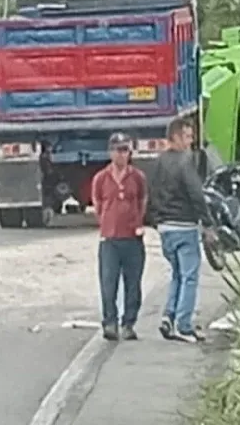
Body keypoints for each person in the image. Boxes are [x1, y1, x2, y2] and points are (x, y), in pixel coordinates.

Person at [148, 116, 212, 343]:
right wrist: (207, 223)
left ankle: (169, 316)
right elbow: (196, 194)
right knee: (190, 276)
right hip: (185, 226)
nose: (191, 141)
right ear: (175, 137)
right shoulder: (186, 162)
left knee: (177, 274)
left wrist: (156, 220)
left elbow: (151, 193)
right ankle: (184, 325)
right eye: (187, 136)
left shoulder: (157, 163)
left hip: (165, 229)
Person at [91, 132, 148, 341]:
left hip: (132, 238)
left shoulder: (137, 177)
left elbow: (143, 199)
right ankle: (110, 322)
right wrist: (106, 222)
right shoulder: (101, 178)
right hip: (109, 240)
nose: (122, 155)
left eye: (125, 150)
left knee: (133, 284)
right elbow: (97, 203)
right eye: (118, 150)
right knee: (108, 283)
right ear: (110, 152)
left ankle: (129, 323)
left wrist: (136, 221)